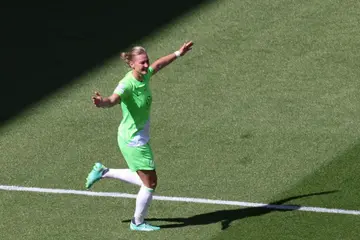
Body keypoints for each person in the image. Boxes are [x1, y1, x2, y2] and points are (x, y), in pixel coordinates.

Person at [85, 41, 194, 231]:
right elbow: (112, 100)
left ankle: (104, 172)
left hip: (139, 137)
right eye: (142, 62)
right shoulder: (126, 84)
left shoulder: (144, 76)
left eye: (146, 61)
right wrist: (101, 102)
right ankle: (138, 222)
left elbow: (158, 65)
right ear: (131, 64)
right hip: (132, 140)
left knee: (146, 179)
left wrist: (179, 53)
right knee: (150, 183)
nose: (146, 65)